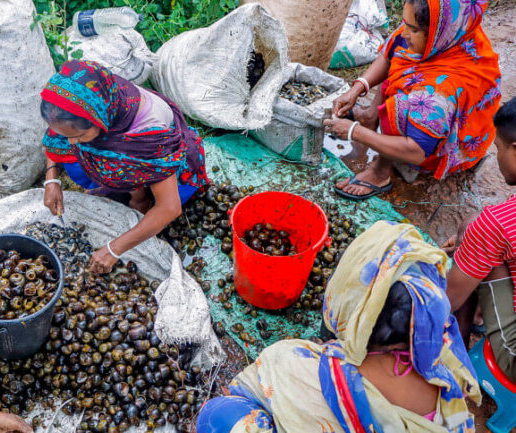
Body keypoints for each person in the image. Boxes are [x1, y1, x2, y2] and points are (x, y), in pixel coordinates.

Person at [197, 221, 480, 432]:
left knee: (217, 414)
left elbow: (249, 389)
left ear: (355, 313)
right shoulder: (447, 360)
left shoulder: (297, 366)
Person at [39, 60, 209, 274]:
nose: (72, 143)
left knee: (168, 200)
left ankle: (141, 194)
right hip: (126, 156)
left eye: (79, 136)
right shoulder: (81, 100)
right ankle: (126, 189)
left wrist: (113, 249)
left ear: (98, 119)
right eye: (67, 136)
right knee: (72, 164)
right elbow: (58, 138)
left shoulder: (150, 135)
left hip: (163, 163)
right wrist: (52, 178)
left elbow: (170, 208)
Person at [324, 0, 501, 200]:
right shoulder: (447, 31)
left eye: (413, 29)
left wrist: (354, 132)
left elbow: (416, 151)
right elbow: (392, 50)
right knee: (404, 62)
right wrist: (358, 87)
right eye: (405, 24)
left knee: (400, 105)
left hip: (437, 146)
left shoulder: (439, 94)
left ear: (435, 32)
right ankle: (371, 117)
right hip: (430, 108)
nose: (404, 33)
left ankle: (380, 173)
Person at [444, 96, 516, 382]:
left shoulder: (495, 225)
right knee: (477, 234)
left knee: (478, 236)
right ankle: (480, 315)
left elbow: (446, 301)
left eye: (498, 147)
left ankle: (458, 345)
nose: (496, 157)